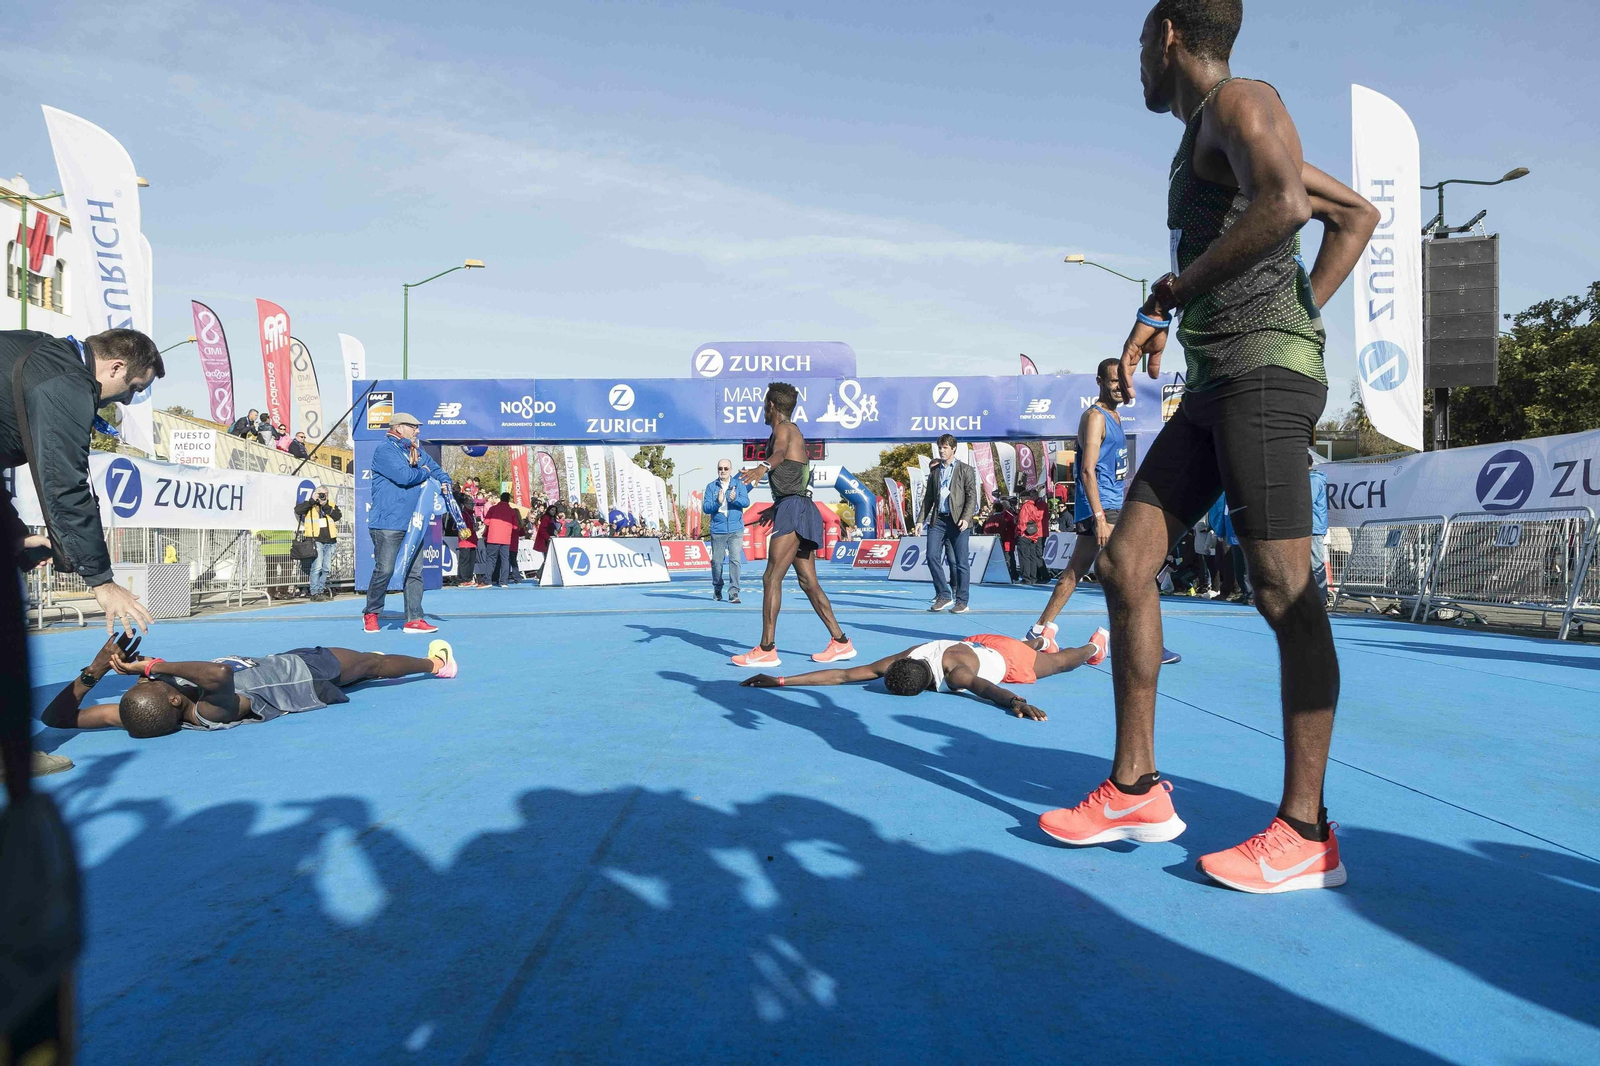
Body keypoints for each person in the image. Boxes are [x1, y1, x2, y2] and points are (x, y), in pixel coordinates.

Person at [1038, 1, 1378, 894]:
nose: (1137, 69)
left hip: (1262, 377)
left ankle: (1307, 833)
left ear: (1167, 37)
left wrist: (1178, 299)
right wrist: (1242, 312)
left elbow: (1288, 204)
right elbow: (1356, 215)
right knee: (1125, 563)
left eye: (1138, 49)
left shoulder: (1241, 102)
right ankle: (1136, 789)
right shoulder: (1210, 132)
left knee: (1282, 589)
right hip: (1221, 378)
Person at [1, 327, 163, 635]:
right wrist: (101, 580)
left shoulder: (38, 349)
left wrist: (16, 536)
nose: (128, 400)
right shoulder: (67, 383)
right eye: (134, 387)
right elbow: (64, 484)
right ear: (116, 366)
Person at [41, 632, 458, 737]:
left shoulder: (135, 715)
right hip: (305, 675)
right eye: (149, 685)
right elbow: (218, 676)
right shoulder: (208, 712)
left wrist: (92, 672)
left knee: (370, 665)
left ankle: (430, 662)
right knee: (371, 663)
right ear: (171, 697)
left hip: (277, 663)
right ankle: (436, 663)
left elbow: (56, 718)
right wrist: (148, 667)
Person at [732, 382, 854, 667]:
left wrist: (761, 467)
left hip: (796, 509)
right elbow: (793, 478)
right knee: (808, 581)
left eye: (764, 404)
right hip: (797, 506)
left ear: (772, 406)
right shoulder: (791, 429)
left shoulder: (784, 429)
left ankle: (766, 649)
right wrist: (776, 507)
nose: (763, 408)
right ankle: (840, 642)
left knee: (771, 577)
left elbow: (779, 454)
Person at [741, 627, 1110, 721]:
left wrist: (1017, 701)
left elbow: (984, 687)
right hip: (981, 640)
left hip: (1007, 659)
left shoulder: (957, 677)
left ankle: (1095, 646)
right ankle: (1043, 640)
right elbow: (842, 675)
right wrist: (782, 681)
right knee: (1038, 648)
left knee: (1062, 663)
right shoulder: (910, 656)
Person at [1025, 358, 1131, 616]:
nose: (1120, 386)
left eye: (1123, 380)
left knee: (1074, 573)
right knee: (1131, 575)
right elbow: (1086, 470)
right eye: (1114, 380)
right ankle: (1142, 643)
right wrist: (1100, 517)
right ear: (1100, 382)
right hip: (1103, 506)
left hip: (1108, 504)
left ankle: (1040, 630)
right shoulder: (1095, 417)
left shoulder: (1115, 416)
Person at [363, 412, 449, 634]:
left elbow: (437, 471)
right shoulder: (385, 450)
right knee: (385, 570)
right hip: (388, 522)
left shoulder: (415, 451)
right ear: (399, 428)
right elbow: (404, 477)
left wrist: (445, 482)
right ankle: (371, 613)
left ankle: (414, 619)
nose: (418, 430)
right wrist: (424, 472)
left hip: (414, 523)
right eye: (414, 426)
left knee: (414, 571)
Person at [914, 433, 977, 613]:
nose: (941, 450)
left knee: (960, 562)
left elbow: (972, 496)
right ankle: (943, 594)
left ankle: (962, 601)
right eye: (940, 447)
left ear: (953, 449)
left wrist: (966, 517)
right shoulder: (935, 472)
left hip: (958, 521)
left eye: (945, 448)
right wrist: (920, 521)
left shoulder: (965, 469)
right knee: (932, 556)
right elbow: (928, 499)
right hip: (938, 519)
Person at [703, 459, 749, 603]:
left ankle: (734, 592)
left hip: (736, 529)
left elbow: (746, 502)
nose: (722, 471)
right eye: (720, 468)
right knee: (717, 562)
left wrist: (734, 500)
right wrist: (718, 501)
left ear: (731, 470)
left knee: (735, 560)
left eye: (725, 468)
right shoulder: (711, 487)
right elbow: (706, 508)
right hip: (718, 529)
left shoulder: (739, 485)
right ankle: (717, 587)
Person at [294, 485, 342, 600]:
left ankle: (321, 591)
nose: (323, 496)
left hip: (330, 541)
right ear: (316, 493)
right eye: (321, 494)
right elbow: (298, 510)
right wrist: (312, 500)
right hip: (316, 540)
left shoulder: (330, 505)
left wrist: (325, 505)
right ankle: (314, 592)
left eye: (325, 494)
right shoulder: (310, 505)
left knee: (326, 569)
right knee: (317, 567)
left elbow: (337, 516)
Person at [479, 492, 518, 588]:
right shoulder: (512, 511)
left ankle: (488, 581)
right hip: (505, 539)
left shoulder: (493, 509)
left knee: (491, 559)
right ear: (509, 499)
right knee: (505, 560)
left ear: (500, 498)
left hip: (493, 537)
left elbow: (486, 521)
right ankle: (504, 581)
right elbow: (515, 526)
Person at [1015, 489, 1050, 584]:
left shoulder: (1027, 506)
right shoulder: (1034, 506)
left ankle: (1028, 577)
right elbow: (1038, 517)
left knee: (1026, 556)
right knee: (1032, 556)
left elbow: (1022, 520)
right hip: (1034, 533)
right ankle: (1034, 577)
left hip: (1028, 533)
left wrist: (1020, 532)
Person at [1309, 454, 1329, 603]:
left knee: (1316, 562)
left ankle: (1321, 597)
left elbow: (1307, 501)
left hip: (1314, 527)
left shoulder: (1314, 480)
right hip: (1310, 526)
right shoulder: (1310, 479)